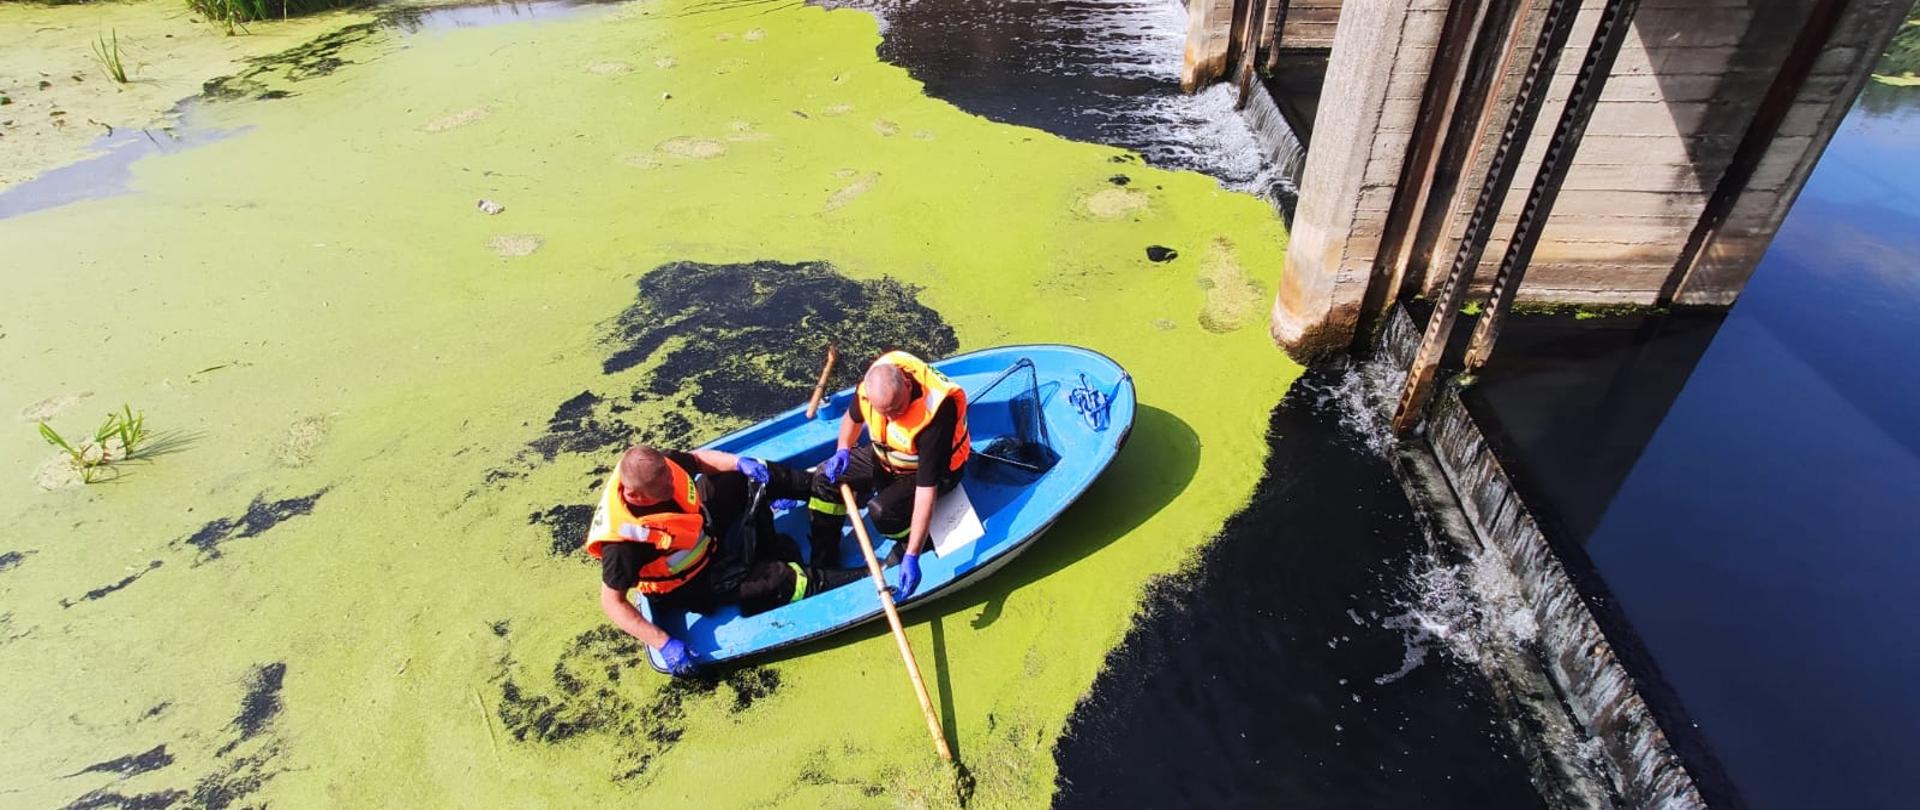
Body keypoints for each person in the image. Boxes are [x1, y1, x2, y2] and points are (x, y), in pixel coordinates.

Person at [587, 445, 864, 675]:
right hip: (694, 582)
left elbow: (697, 460)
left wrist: (739, 463)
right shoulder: (622, 546)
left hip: (701, 531)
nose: (673, 487)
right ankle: (858, 578)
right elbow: (611, 602)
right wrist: (664, 642)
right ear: (635, 494)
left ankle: (816, 484)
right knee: (779, 579)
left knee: (744, 477)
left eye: (671, 480)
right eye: (664, 490)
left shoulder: (656, 467)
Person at [808, 350, 970, 601]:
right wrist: (842, 449)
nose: (892, 418)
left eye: (897, 408)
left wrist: (913, 554)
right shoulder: (871, 387)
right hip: (887, 458)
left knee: (882, 511)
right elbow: (852, 419)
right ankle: (824, 560)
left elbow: (926, 491)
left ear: (906, 384)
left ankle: (912, 543)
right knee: (824, 477)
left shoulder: (936, 414)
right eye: (885, 413)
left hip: (932, 472)